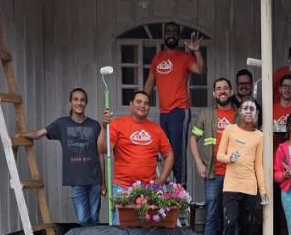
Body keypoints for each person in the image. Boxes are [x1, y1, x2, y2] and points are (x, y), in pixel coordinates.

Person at [18, 88, 104, 226]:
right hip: (76, 181)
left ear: (86, 103)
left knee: (94, 218)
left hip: (95, 180)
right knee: (83, 219)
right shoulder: (62, 124)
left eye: (82, 100)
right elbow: (39, 133)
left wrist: (103, 182)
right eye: (75, 99)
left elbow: (100, 154)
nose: (79, 103)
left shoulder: (94, 125)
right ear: (70, 102)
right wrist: (22, 134)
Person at [142, 21, 205, 188]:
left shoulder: (184, 57)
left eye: (174, 32)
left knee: (177, 150)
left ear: (178, 36)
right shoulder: (158, 58)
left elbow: (200, 69)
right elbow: (149, 82)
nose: (171, 34)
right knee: (165, 150)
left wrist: (196, 51)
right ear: (164, 35)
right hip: (164, 112)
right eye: (168, 31)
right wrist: (141, 104)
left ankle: (181, 188)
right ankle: (168, 187)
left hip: (179, 110)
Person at [97, 90, 174, 224]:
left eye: (146, 103)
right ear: (131, 104)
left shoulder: (156, 129)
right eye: (138, 102)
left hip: (148, 190)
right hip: (123, 188)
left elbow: (169, 155)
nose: (142, 105)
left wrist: (162, 179)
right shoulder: (118, 124)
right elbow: (103, 149)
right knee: (122, 229)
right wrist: (104, 128)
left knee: (148, 229)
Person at [190, 78, 238, 235]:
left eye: (225, 88)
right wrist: (199, 163)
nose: (222, 91)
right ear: (214, 93)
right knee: (211, 215)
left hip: (234, 173)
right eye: (218, 88)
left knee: (232, 217)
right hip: (213, 173)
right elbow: (193, 139)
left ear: (231, 92)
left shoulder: (239, 114)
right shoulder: (206, 114)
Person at [217, 99, 268, 235]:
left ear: (256, 113)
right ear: (239, 111)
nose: (248, 112)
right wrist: (229, 158)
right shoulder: (229, 130)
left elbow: (258, 165)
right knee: (230, 222)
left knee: (246, 227)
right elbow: (219, 155)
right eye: (245, 108)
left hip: (250, 188)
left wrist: (262, 190)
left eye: (252, 109)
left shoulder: (259, 136)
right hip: (231, 186)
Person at [273, 74, 291, 146]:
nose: (287, 89)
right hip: (274, 150)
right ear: (280, 89)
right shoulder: (271, 109)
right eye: (285, 86)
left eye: (290, 87)